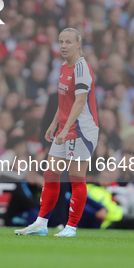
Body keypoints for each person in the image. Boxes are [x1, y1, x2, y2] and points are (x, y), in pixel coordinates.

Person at [15, 28, 99, 237]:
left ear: (78, 44)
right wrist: (54, 124)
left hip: (81, 130)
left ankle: (71, 227)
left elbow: (80, 102)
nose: (63, 46)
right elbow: (64, 102)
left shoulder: (81, 68)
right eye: (61, 42)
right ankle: (41, 223)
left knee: (76, 178)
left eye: (68, 42)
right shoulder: (63, 67)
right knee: (51, 174)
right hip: (65, 128)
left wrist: (67, 127)